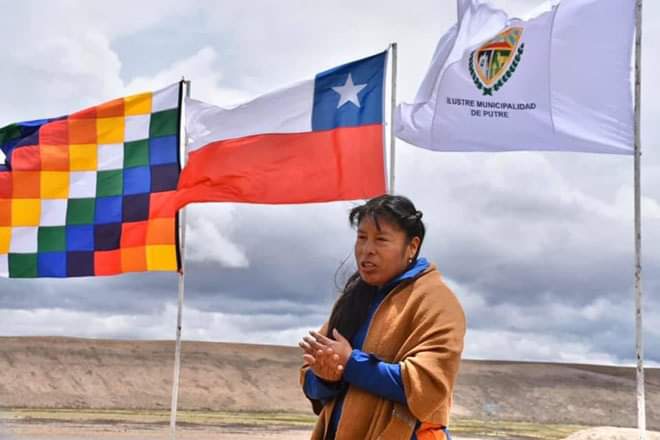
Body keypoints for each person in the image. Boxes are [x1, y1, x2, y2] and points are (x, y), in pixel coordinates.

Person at [299, 194, 466, 440]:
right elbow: (313, 385)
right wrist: (326, 378)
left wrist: (351, 364)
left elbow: (428, 386)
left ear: (412, 246)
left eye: (381, 240)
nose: (367, 250)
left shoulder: (436, 301)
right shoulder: (353, 298)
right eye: (361, 238)